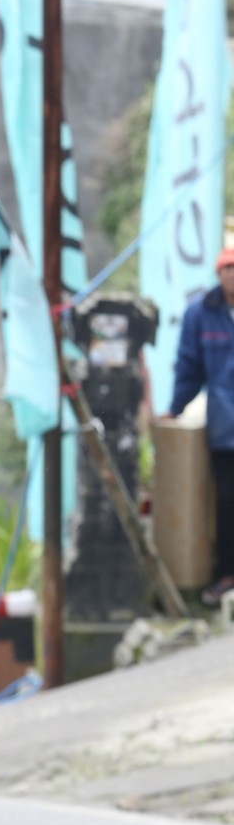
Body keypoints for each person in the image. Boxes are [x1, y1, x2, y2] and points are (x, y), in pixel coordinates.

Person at [169, 246, 234, 607]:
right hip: (226, 428)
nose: (233, 275)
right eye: (228, 268)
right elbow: (189, 367)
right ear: (218, 273)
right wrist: (174, 408)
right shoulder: (201, 313)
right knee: (226, 502)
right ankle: (227, 574)